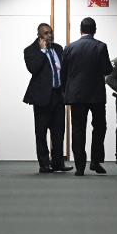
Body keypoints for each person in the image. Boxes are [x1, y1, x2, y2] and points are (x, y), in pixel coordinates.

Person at [61, 17, 113, 176]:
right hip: (96, 95)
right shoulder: (101, 46)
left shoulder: (69, 47)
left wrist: (66, 92)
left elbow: (63, 73)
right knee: (99, 128)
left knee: (77, 129)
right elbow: (107, 70)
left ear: (80, 29)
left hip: (76, 96)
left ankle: (80, 166)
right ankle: (96, 162)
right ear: (95, 29)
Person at [23, 23, 73, 174]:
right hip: (42, 97)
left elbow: (65, 69)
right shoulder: (30, 50)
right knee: (41, 132)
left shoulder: (58, 48)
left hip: (58, 95)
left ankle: (58, 163)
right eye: (46, 33)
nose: (49, 35)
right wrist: (43, 51)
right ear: (39, 35)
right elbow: (34, 68)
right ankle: (44, 164)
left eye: (50, 32)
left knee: (58, 132)